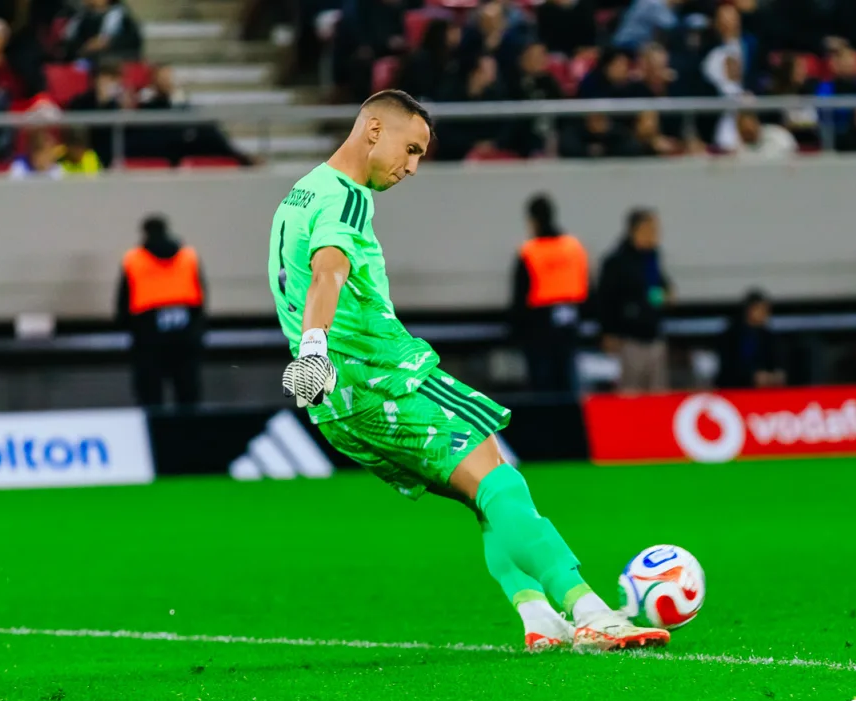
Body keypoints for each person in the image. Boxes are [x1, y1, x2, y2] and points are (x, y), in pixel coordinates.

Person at [274, 89, 668, 652]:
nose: (412, 167)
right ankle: (591, 610)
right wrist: (314, 348)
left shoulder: (300, 193)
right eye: (411, 150)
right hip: (386, 378)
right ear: (374, 130)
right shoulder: (347, 196)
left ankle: (537, 614)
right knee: (501, 483)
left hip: (336, 405)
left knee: (485, 493)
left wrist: (311, 355)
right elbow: (328, 272)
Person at [117, 215, 206, 408]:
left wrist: (128, 329)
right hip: (185, 333)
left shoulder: (134, 260)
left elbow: (123, 302)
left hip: (148, 335)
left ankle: (155, 426)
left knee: (151, 395)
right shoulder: (188, 257)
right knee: (188, 393)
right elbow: (201, 297)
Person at [510, 194, 589, 394]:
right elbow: (587, 287)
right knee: (569, 387)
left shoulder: (530, 251)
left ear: (533, 221)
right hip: (569, 326)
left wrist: (515, 331)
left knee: (543, 392)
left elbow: (520, 296)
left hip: (538, 330)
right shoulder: (573, 247)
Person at [596, 208, 673, 393]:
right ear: (637, 230)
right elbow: (606, 301)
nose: (655, 234)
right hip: (629, 340)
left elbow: (657, 290)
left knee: (658, 392)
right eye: (651, 229)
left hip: (653, 336)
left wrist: (665, 296)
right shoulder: (617, 262)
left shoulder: (651, 258)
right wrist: (608, 331)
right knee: (630, 393)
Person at [716, 289, 785, 389]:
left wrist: (774, 375)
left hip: (762, 391)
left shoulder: (770, 337)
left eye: (767, 310)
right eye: (761, 310)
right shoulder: (731, 336)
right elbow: (728, 366)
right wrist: (751, 376)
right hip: (734, 390)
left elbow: (777, 364)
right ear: (750, 309)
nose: (765, 314)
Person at [729, 111, 798, 159]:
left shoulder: (779, 136)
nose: (747, 135)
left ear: (757, 124)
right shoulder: (736, 148)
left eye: (749, 131)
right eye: (744, 132)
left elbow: (792, 156)